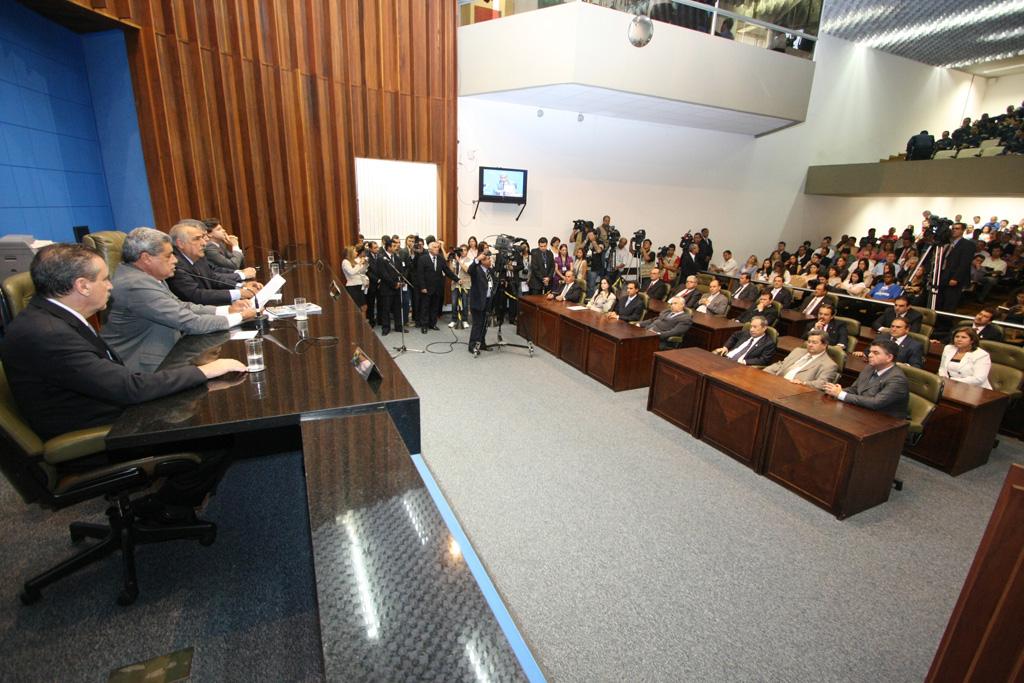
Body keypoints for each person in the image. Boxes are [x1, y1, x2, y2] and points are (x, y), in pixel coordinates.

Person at [0, 244, 245, 442]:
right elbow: (129, 388)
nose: (111, 285)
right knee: (211, 431)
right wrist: (204, 371)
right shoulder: (49, 334)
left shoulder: (54, 317)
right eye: (105, 279)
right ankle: (172, 500)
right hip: (93, 428)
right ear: (82, 286)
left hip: (103, 403)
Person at [102, 228, 256, 373]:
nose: (175, 260)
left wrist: (226, 310)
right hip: (147, 370)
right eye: (169, 255)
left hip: (170, 352)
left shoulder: (147, 277)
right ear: (146, 258)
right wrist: (241, 317)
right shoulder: (135, 285)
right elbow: (190, 322)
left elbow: (182, 306)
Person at [167, 220, 260, 306]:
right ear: (180, 243)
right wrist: (240, 293)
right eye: (197, 239)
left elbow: (212, 277)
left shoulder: (197, 257)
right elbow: (196, 295)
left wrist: (242, 286)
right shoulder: (175, 265)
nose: (204, 243)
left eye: (203, 238)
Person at [824, 340, 909, 420]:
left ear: (889, 357)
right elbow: (855, 389)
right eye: (870, 352)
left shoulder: (897, 379)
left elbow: (876, 403)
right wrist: (835, 391)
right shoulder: (870, 368)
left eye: (876, 353)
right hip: (863, 412)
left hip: (885, 420)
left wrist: (841, 394)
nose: (870, 355)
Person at [762, 330, 839, 389]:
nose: (810, 345)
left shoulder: (829, 365)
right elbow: (781, 364)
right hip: (777, 383)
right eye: (809, 342)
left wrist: (803, 383)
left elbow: (822, 384)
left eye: (814, 342)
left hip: (797, 391)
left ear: (824, 345)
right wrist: (765, 373)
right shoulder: (798, 351)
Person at [415, 241, 458, 333]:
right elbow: (420, 274)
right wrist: (423, 287)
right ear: (429, 249)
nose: (437, 249)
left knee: (435, 307)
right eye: (435, 247)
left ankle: (432, 324)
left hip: (437, 288)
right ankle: (424, 325)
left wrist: (457, 279)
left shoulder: (440, 258)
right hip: (426, 288)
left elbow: (447, 271)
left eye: (438, 247)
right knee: (425, 307)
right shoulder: (423, 259)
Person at [935, 223, 976, 313]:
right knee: (940, 300)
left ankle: (945, 323)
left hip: (954, 277)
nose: (954, 230)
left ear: (962, 230)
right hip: (943, 274)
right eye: (953, 228)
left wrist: (956, 278)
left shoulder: (967, 244)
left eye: (957, 228)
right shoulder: (948, 244)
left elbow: (964, 263)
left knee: (949, 302)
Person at [853, 318, 923, 368]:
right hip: (875, 369)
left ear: (907, 329)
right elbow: (867, 351)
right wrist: (863, 354)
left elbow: (916, 366)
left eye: (898, 327)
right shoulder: (881, 337)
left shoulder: (915, 345)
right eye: (892, 326)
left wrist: (904, 366)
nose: (894, 329)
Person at [467, 251, 497, 354]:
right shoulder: (476, 269)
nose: (490, 260)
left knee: (485, 324)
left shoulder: (490, 270)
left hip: (488, 301)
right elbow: (469, 270)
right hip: (478, 302)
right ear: (482, 261)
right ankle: (472, 346)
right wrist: (477, 259)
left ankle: (481, 343)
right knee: (477, 324)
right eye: (488, 259)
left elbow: (495, 281)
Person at [377, 239, 405, 335]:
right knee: (386, 309)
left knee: (397, 308)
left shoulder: (397, 258)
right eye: (394, 245)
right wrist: (394, 284)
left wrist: (401, 282)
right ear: (388, 247)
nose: (397, 246)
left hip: (397, 288)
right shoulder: (381, 258)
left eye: (397, 244)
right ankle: (386, 328)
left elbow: (401, 271)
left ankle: (398, 326)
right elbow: (383, 274)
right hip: (387, 288)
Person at [342, 244, 369, 314]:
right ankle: (358, 323)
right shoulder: (345, 262)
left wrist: (365, 264)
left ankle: (363, 323)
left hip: (359, 286)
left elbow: (361, 271)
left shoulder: (353, 261)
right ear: (350, 253)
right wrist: (360, 263)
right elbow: (352, 272)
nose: (357, 253)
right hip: (352, 287)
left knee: (364, 307)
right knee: (356, 308)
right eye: (355, 251)